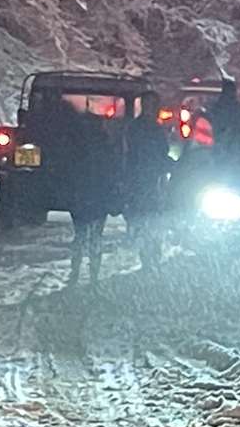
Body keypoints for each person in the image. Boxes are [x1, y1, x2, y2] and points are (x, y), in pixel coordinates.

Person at [64, 112, 120, 288]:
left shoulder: (75, 147)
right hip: (97, 197)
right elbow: (111, 172)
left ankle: (75, 273)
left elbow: (70, 173)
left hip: (82, 197)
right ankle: (93, 276)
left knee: (80, 235)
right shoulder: (105, 146)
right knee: (95, 236)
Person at [123, 91, 171, 271]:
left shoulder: (148, 127)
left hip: (149, 180)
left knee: (150, 220)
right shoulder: (140, 128)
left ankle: (151, 255)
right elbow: (147, 155)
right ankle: (149, 256)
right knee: (147, 219)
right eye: (149, 104)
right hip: (143, 180)